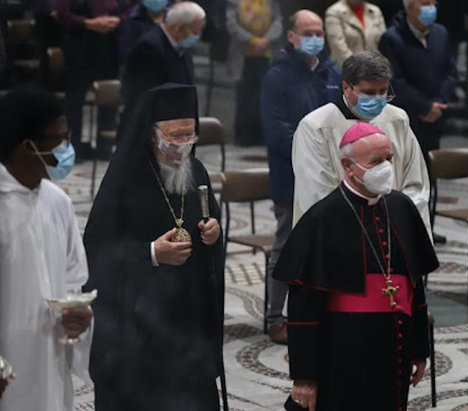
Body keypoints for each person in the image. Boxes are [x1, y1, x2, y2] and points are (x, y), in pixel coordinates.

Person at [274, 123, 438, 411]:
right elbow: (304, 310)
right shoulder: (322, 219)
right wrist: (304, 378)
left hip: (394, 348)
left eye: (389, 158)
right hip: (342, 353)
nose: (386, 167)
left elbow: (416, 285)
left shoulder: (402, 208)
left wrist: (419, 350)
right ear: (348, 166)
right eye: (376, 162)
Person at [84, 84, 226, 411]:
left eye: (190, 135)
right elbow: (96, 251)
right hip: (136, 327)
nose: (183, 145)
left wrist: (213, 235)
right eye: (174, 136)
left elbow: (210, 227)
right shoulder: (125, 179)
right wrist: (150, 254)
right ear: (152, 134)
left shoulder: (197, 171)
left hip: (188, 322)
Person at [0, 89, 93, 411]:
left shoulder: (58, 203)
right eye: (60, 140)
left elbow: (73, 277)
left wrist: (76, 316)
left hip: (51, 355)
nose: (68, 150)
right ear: (28, 147)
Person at [260, 9, 342, 344]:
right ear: (292, 37)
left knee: (325, 247)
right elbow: (278, 131)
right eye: (307, 33)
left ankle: (319, 310)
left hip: (329, 177)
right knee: (285, 246)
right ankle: (275, 316)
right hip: (290, 177)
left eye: (319, 33)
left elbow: (339, 120)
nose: (315, 39)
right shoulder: (277, 76)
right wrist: (314, 154)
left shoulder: (331, 72)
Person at [292, 51, 431, 239]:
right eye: (369, 93)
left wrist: (400, 221)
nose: (378, 99)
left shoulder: (397, 119)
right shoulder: (316, 127)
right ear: (346, 88)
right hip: (340, 236)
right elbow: (317, 193)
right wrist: (367, 226)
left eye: (383, 92)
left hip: (393, 231)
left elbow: (415, 182)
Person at [379, 0, 458, 243]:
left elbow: (450, 73)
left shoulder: (441, 33)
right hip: (407, 119)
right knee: (403, 176)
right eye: (425, 3)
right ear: (410, 6)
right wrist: (424, 107)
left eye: (434, 2)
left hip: (435, 118)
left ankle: (426, 228)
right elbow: (395, 81)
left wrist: (439, 103)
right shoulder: (392, 38)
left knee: (428, 176)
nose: (432, 7)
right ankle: (401, 229)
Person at [56, 0, 124, 160]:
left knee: (109, 99)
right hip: (79, 47)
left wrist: (118, 20)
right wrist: (87, 23)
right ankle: (75, 148)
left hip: (109, 48)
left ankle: (104, 147)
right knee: (75, 101)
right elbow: (62, 14)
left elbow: (130, 10)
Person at [122, 1, 205, 130]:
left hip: (178, 128)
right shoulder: (149, 47)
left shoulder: (183, 46)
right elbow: (142, 97)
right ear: (180, 27)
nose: (196, 36)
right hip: (150, 130)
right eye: (195, 31)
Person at [226, 0, 283, 146]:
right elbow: (232, 24)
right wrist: (252, 41)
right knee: (244, 97)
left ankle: (261, 136)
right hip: (243, 56)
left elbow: (277, 21)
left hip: (267, 54)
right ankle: (244, 137)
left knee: (264, 96)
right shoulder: (234, 2)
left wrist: (265, 40)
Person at [325, 0, 386, 67]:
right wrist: (357, 68)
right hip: (346, 69)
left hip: (374, 68)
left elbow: (383, 42)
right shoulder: (334, 12)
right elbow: (337, 45)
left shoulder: (375, 10)